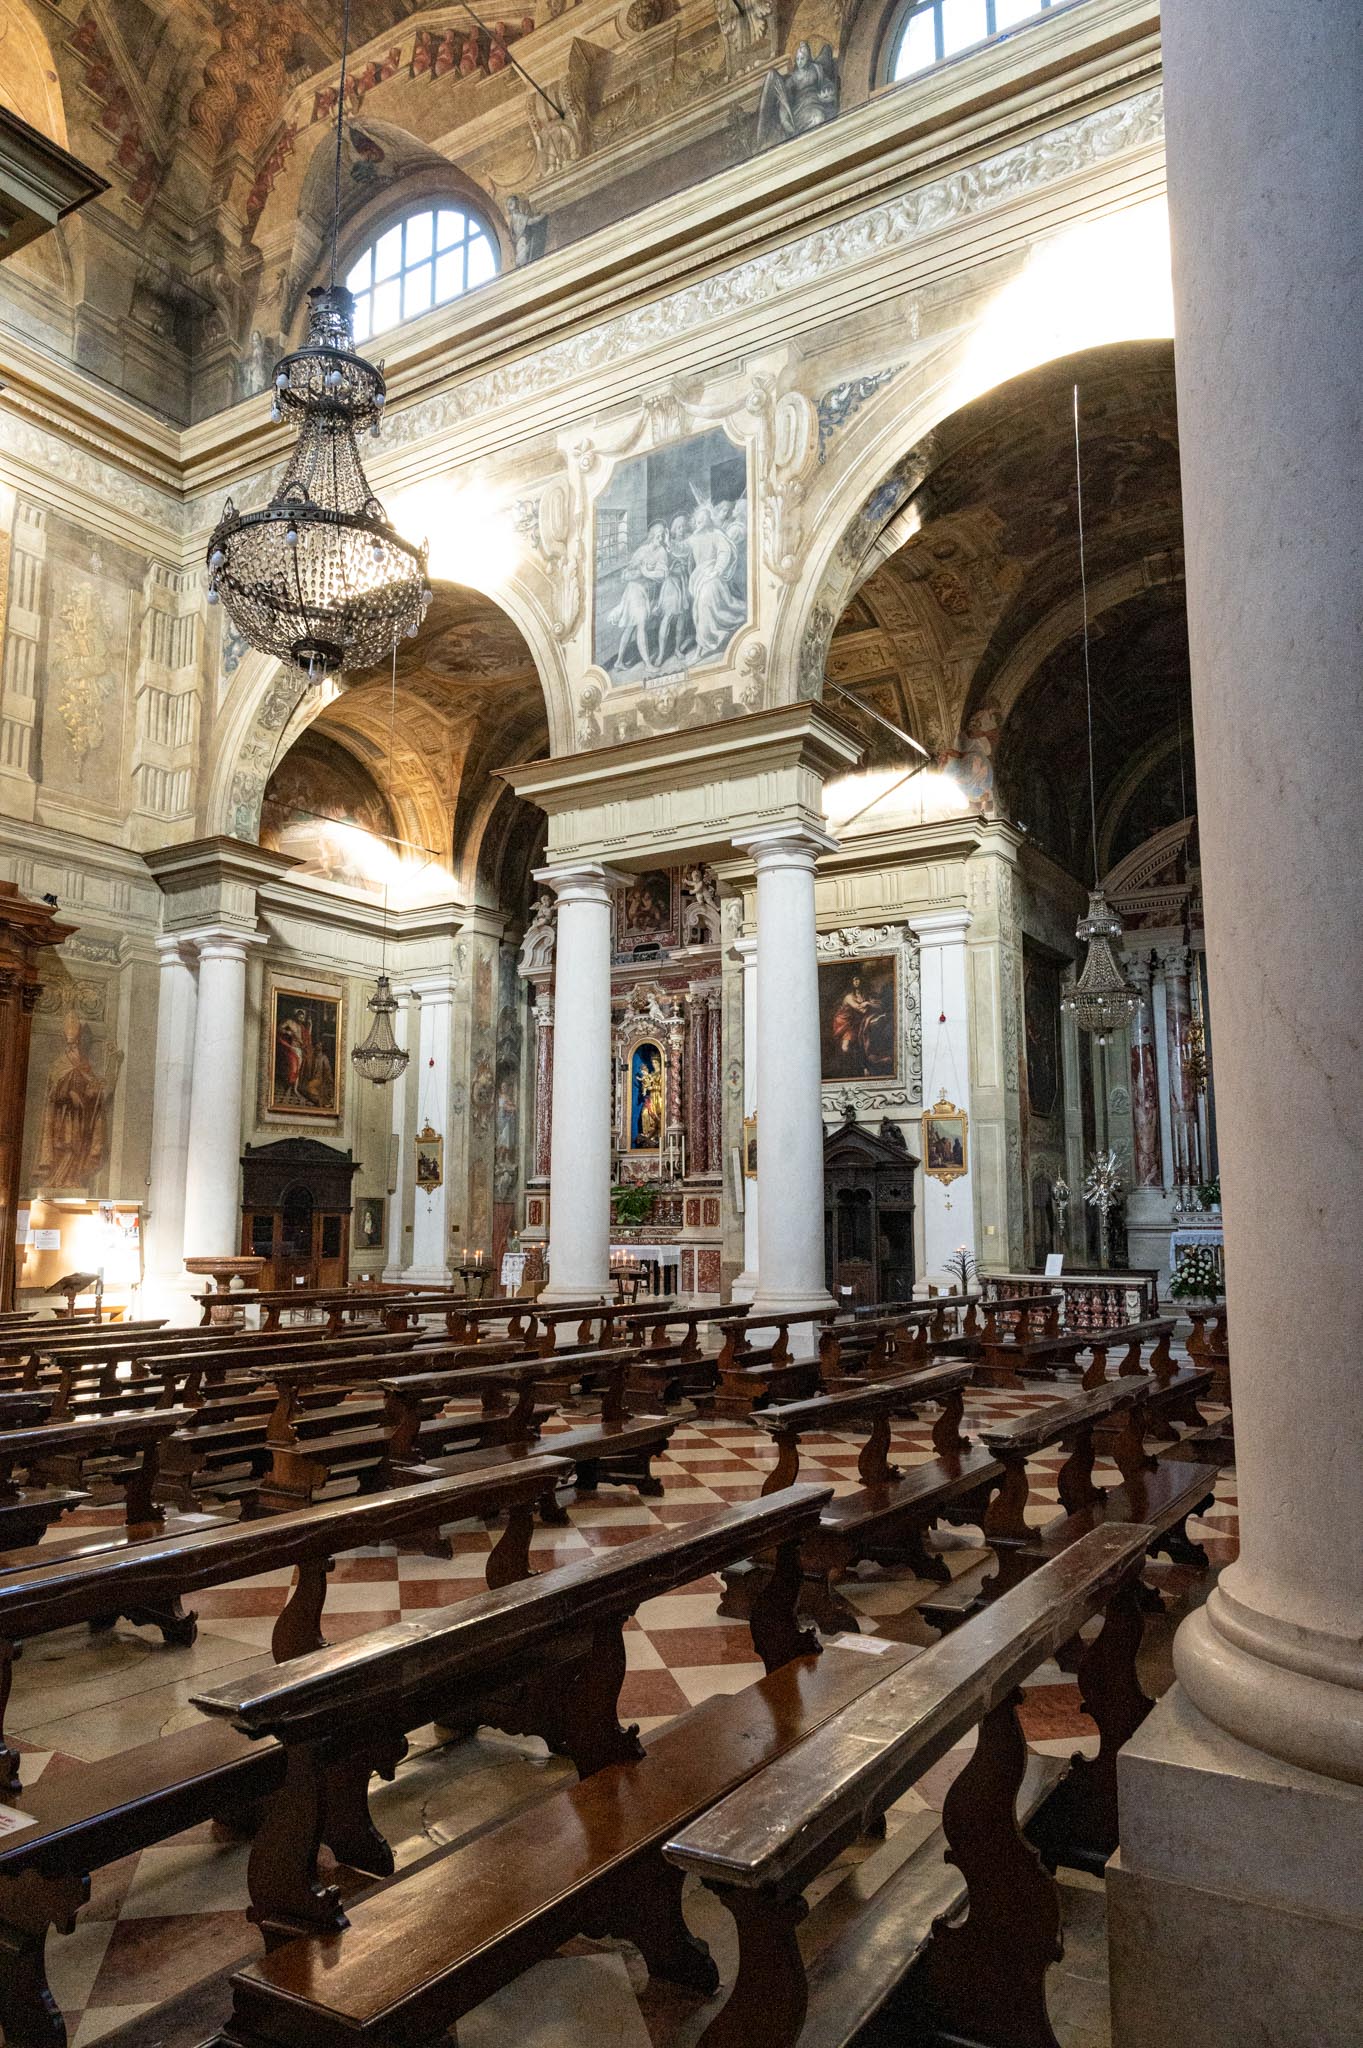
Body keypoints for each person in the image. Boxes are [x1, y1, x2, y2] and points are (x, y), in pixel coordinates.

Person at [687, 501, 747, 656]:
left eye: (703, 520)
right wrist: (669, 545)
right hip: (700, 579)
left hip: (713, 578)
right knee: (700, 611)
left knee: (704, 606)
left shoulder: (716, 534)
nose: (700, 523)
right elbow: (681, 548)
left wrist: (717, 570)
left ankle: (702, 647)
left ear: (708, 520)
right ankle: (709, 639)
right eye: (698, 521)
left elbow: (724, 552)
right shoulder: (693, 538)